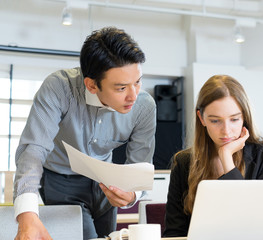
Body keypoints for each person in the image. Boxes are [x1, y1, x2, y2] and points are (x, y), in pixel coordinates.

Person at [13, 27, 156, 240]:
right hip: (60, 178)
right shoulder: (60, 88)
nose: (133, 96)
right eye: (121, 88)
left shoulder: (144, 106)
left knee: (109, 237)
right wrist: (26, 214)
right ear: (91, 85)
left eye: (137, 82)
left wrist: (132, 194)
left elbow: (139, 163)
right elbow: (34, 148)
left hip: (106, 180)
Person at [163, 75, 263, 237]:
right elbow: (175, 233)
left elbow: (256, 222)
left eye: (234, 119)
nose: (226, 131)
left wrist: (226, 157)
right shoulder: (184, 162)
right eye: (215, 121)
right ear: (202, 118)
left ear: (244, 118)